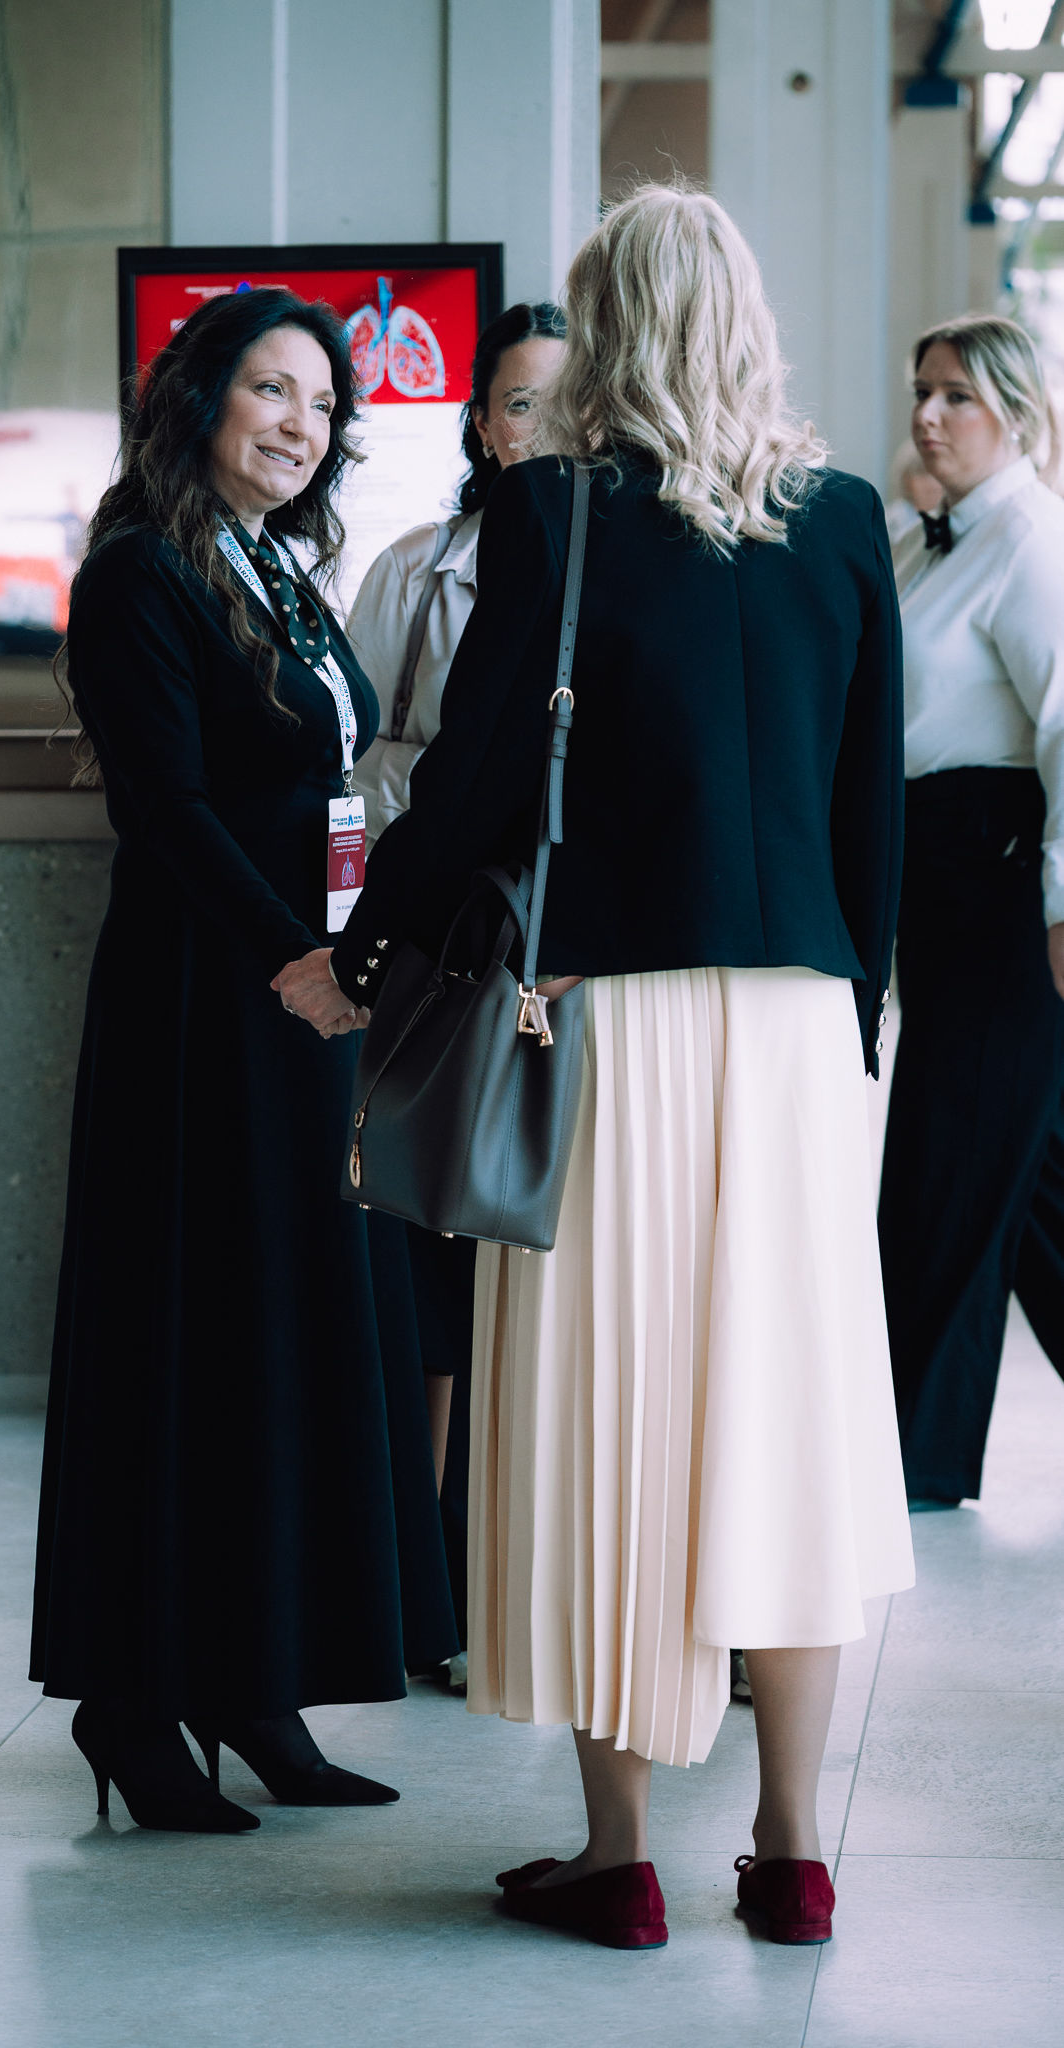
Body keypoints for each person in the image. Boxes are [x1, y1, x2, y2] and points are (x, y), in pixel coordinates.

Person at [277, 185, 914, 1950]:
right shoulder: (841, 518)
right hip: (792, 1028)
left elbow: (472, 781)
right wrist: (852, 1016)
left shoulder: (553, 513)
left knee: (608, 1417)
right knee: (783, 1419)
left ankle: (616, 1854)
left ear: (607, 325)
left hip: (607, 1021)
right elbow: (868, 798)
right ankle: (788, 1848)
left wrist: (362, 959)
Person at [30, 287, 455, 1835]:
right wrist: (295, 958)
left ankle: (252, 1679)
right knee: (187, 1333)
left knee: (279, 1332)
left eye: (324, 404)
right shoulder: (139, 572)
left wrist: (346, 957)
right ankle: (133, 1702)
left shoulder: (275, 565)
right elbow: (167, 809)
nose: (300, 424)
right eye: (273, 390)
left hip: (301, 998)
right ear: (199, 396)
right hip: (202, 1009)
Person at [346, 303, 567, 1672]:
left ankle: (522, 1567)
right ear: (480, 422)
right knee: (433, 1245)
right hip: (439, 940)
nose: (539, 429)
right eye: (518, 403)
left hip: (562, 948)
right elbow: (355, 757)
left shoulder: (615, 567)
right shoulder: (415, 570)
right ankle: (424, 1583)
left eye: (564, 404)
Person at [879, 314, 1064, 1510]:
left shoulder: (1031, 542)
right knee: (1024, 1167)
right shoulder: (925, 541)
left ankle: (910, 1452)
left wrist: (1062, 905)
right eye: (921, 390)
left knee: (948, 1154)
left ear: (1016, 411)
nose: (927, 414)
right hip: (941, 880)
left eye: (954, 395)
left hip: (1002, 886)